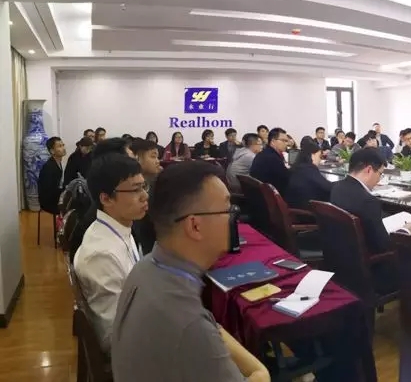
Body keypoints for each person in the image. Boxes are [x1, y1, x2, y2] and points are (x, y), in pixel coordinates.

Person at [111, 161, 269, 382]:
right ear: (195, 226)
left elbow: (212, 327)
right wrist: (261, 373)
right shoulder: (189, 324)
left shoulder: (146, 268)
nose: (233, 218)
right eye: (227, 209)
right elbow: (200, 330)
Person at [73, 153, 149, 351]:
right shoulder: (102, 255)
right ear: (106, 198)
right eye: (135, 189)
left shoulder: (119, 226)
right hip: (128, 347)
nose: (145, 196)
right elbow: (113, 335)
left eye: (144, 186)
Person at [330, 148, 411, 256]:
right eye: (380, 174)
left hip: (341, 253)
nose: (379, 179)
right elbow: (383, 246)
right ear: (369, 170)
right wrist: (404, 231)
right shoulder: (368, 201)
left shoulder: (337, 187)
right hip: (368, 260)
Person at [130, 139, 163, 255]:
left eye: (158, 157)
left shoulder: (158, 181)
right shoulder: (128, 188)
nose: (158, 161)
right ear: (137, 159)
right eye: (153, 157)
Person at [286, 140, 333, 209]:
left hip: (295, 206)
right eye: (320, 156)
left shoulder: (297, 167)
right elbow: (328, 187)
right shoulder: (309, 169)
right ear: (312, 155)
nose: (320, 160)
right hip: (307, 210)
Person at [249, 127, 290, 195]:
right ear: (273, 141)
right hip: (269, 196)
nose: (286, 144)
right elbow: (286, 180)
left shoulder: (263, 153)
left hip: (259, 195)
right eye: (284, 141)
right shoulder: (273, 158)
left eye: (287, 141)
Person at [38, 136, 67, 215]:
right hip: (49, 201)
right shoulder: (49, 167)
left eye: (63, 145)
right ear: (52, 151)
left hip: (55, 196)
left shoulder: (57, 163)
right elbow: (48, 190)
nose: (63, 148)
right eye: (60, 146)